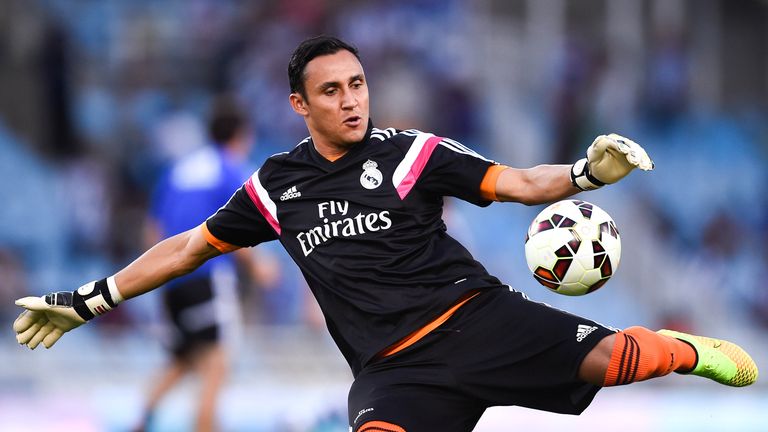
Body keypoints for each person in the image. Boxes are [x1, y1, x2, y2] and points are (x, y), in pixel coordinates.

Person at [14, 36, 758, 432]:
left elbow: (520, 186)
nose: (351, 101)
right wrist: (89, 300)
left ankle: (690, 349)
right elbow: (185, 247)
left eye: (358, 84)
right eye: (331, 90)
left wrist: (586, 174)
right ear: (299, 104)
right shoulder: (275, 185)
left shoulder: (412, 152)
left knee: (615, 360)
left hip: (478, 321)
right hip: (393, 372)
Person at [134, 96, 277, 432]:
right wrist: (259, 267)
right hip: (207, 275)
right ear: (243, 136)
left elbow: (152, 230)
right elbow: (234, 225)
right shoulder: (230, 168)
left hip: (170, 280)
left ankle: (140, 420)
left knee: (184, 357)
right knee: (217, 362)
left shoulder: (178, 170)